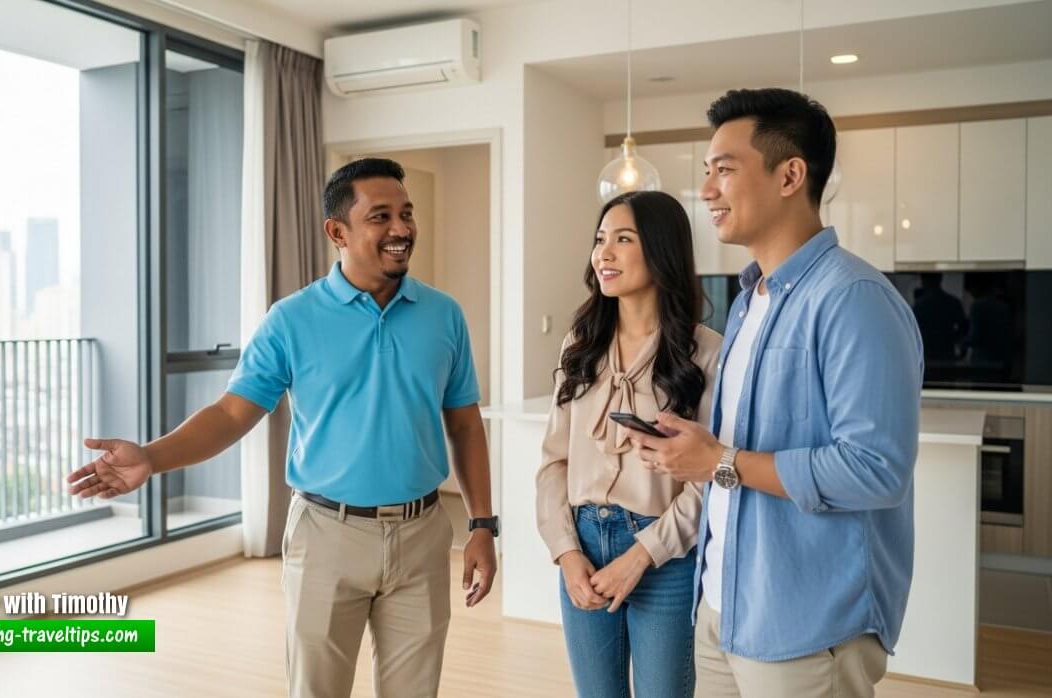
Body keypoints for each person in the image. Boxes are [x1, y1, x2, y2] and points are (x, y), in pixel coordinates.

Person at [67, 157, 498, 698]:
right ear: (337, 232)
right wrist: (152, 457)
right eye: (381, 216)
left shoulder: (443, 315)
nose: (401, 228)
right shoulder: (291, 319)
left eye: (406, 214)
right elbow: (231, 414)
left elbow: (465, 424)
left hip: (422, 535)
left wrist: (483, 524)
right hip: (327, 535)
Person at [621, 88, 923, 698]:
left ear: (790, 176)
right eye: (706, 171)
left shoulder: (854, 299)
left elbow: (875, 469)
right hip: (723, 606)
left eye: (724, 170)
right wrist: (699, 448)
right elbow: (745, 445)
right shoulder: (747, 301)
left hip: (807, 624)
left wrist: (720, 461)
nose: (706, 189)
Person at [537, 190, 721, 698]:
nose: (604, 253)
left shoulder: (706, 353)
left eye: (623, 239)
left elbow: (708, 480)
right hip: (583, 547)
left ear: (661, 250)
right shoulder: (580, 344)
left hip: (665, 556)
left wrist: (642, 554)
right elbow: (553, 462)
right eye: (600, 240)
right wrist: (565, 552)